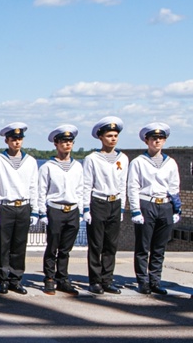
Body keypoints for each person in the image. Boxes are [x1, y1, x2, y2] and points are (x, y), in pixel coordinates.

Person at [127, 123, 181, 295]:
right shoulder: (138, 162)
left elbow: (174, 187)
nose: (157, 141)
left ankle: (155, 280)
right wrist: (135, 210)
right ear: (147, 141)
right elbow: (133, 187)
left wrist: (176, 209)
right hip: (146, 203)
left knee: (159, 247)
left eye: (160, 138)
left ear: (164, 141)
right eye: (153, 138)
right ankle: (143, 281)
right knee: (143, 246)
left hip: (165, 205)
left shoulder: (170, 163)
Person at [0, 122, 38, 295]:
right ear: (7, 140)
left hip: (23, 206)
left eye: (19, 139)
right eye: (13, 139)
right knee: (3, 246)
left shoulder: (30, 161)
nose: (17, 142)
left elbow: (34, 187)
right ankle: (2, 280)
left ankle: (15, 279)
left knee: (19, 246)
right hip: (5, 207)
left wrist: (34, 209)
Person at [82, 117, 128, 294]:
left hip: (115, 202)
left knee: (111, 244)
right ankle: (95, 280)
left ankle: (107, 279)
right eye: (109, 135)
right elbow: (87, 184)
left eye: (115, 135)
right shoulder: (92, 159)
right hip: (98, 202)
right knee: (96, 244)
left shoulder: (123, 158)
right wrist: (86, 208)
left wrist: (122, 208)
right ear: (101, 137)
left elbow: (123, 184)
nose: (113, 139)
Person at [37, 125, 83, 295]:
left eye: (70, 141)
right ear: (56, 144)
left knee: (65, 249)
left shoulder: (77, 166)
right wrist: (42, 212)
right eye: (63, 141)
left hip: (72, 210)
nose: (67, 144)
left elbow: (80, 190)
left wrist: (81, 210)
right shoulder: (48, 167)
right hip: (55, 209)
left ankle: (62, 278)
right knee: (52, 246)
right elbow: (41, 190)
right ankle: (49, 278)